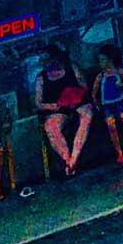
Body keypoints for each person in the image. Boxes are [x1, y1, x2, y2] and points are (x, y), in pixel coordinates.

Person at [33, 44, 93, 177]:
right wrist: (52, 106)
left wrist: (75, 98)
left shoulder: (72, 67)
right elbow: (38, 103)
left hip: (78, 103)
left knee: (86, 116)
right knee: (51, 127)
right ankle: (68, 161)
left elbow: (84, 86)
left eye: (47, 59)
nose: (45, 63)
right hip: (58, 109)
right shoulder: (41, 78)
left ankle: (74, 159)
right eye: (43, 60)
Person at [91, 47, 123, 164]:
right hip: (107, 105)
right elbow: (94, 92)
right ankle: (119, 152)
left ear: (110, 60)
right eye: (100, 60)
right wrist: (96, 104)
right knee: (111, 125)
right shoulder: (100, 76)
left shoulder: (120, 72)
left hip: (119, 102)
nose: (101, 63)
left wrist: (122, 85)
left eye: (103, 60)